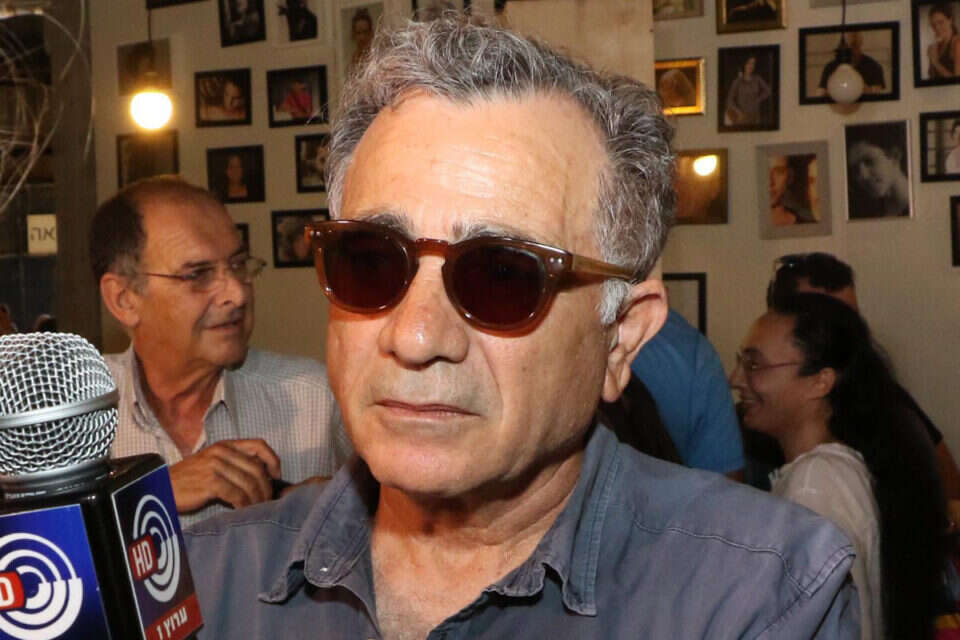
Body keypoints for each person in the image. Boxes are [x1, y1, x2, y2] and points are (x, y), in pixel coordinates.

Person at [184, 16, 858, 638]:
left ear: (621, 336)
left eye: (501, 276)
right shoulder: (198, 587)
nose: (415, 337)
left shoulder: (763, 594)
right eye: (370, 263)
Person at [90, 176, 352, 526]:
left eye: (239, 265)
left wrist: (340, 516)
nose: (237, 294)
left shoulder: (316, 400)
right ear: (124, 300)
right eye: (198, 275)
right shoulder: (72, 415)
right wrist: (152, 494)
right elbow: (33, 545)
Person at [731, 293, 948, 639]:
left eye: (755, 365)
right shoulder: (829, 472)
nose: (736, 379)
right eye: (741, 362)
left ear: (820, 381)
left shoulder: (816, 484)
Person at [766, 252, 960, 507]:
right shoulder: (754, 415)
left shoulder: (884, 399)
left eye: (850, 319)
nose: (844, 335)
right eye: (822, 321)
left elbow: (950, 491)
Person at [630, 309, 744, 477]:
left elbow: (725, 480)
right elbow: (725, 482)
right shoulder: (688, 350)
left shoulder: (688, 351)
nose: (735, 380)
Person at [846, 127, 910, 219]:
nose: (862, 176)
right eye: (855, 168)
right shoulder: (869, 212)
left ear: (895, 156)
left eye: (869, 161)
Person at [817, 31, 885, 96]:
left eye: (855, 46)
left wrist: (863, 89)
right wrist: (833, 90)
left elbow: (878, 93)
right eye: (848, 47)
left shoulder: (873, 66)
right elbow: (820, 93)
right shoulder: (830, 67)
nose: (851, 51)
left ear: (860, 44)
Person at [723, 54, 771, 127]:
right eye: (749, 63)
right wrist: (738, 112)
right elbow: (729, 100)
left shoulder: (757, 79)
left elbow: (768, 91)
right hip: (741, 118)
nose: (751, 66)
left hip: (755, 117)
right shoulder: (737, 81)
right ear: (744, 64)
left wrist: (759, 99)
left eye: (753, 64)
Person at [927, 2, 960, 79]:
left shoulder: (957, 43)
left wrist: (935, 62)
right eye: (933, 24)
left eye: (940, 22)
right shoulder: (935, 46)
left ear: (950, 20)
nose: (937, 28)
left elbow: (957, 81)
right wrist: (931, 61)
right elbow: (932, 77)